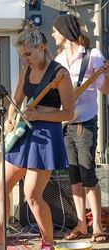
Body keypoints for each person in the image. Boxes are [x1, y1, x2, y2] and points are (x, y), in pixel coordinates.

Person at [0, 28, 74, 249]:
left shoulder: (60, 73)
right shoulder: (26, 70)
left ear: (42, 46)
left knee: (32, 194)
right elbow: (16, 99)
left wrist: (39, 115)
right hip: (24, 132)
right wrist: (10, 118)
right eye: (22, 55)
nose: (25, 58)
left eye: (28, 53)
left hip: (46, 137)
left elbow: (69, 113)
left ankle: (48, 242)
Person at [52, 14, 109, 243]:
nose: (53, 34)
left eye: (55, 30)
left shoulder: (93, 55)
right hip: (66, 124)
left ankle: (97, 226)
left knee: (87, 173)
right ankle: (81, 224)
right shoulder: (59, 59)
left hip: (85, 123)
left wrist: (106, 75)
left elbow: (105, 90)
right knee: (73, 176)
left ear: (65, 31)